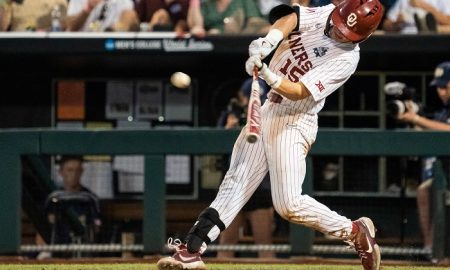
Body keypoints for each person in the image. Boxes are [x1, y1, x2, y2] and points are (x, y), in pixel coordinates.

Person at [157, 1, 384, 270]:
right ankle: (192, 251)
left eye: (347, 34)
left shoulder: (348, 58)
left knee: (288, 204)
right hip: (268, 110)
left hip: (294, 120)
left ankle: (354, 231)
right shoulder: (326, 12)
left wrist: (269, 75)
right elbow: (290, 18)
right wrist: (268, 42)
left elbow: (300, 91)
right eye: (338, 27)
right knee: (235, 182)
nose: (338, 33)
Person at [216, 78, 275, 258]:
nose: (253, 102)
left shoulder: (270, 116)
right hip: (233, 183)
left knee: (264, 245)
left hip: (260, 185)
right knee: (226, 245)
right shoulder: (230, 114)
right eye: (249, 98)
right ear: (241, 97)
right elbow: (213, 145)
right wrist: (228, 128)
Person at [396, 61, 450, 255]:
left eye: (445, 86)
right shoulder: (443, 112)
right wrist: (412, 116)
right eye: (439, 87)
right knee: (424, 190)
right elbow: (430, 129)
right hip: (442, 174)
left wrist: (417, 119)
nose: (441, 92)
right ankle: (431, 248)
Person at [39, 155, 101, 258]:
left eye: (77, 170)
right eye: (70, 170)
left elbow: (97, 228)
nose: (74, 174)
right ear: (61, 172)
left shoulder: (90, 199)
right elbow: (40, 233)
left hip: (83, 250)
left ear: (82, 172)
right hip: (56, 250)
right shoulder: (53, 198)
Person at [187, 0, 269, 35]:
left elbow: (256, 23)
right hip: (211, 42)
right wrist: (195, 2)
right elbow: (195, 25)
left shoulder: (243, 1)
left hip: (236, 42)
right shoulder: (208, 3)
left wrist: (239, 30)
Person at [66, 0, 139, 32]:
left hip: (110, 52)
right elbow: (69, 27)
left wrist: (119, 27)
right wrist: (87, 10)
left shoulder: (125, 3)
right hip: (80, 49)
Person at [382, 0, 450, 33]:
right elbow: (386, 24)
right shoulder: (403, 1)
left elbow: (448, 21)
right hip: (404, 42)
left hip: (432, 41)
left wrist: (424, 6)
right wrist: (396, 24)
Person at [0, 0, 67, 31]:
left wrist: (33, 33)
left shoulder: (58, 2)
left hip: (46, 48)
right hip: (14, 49)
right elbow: (2, 28)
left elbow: (61, 28)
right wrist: (5, 2)